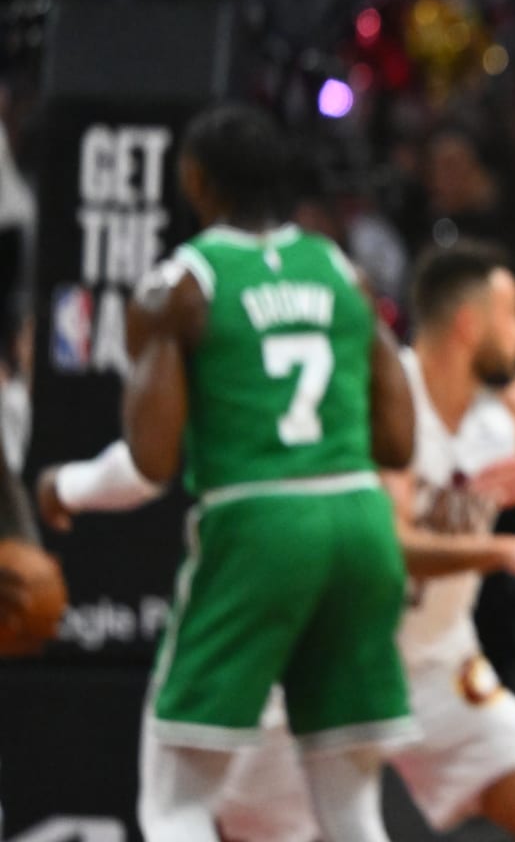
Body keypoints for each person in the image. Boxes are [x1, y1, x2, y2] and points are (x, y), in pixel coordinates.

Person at [50, 240, 515, 841]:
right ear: (468, 322)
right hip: (329, 665)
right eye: (512, 316)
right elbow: (391, 542)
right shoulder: (372, 400)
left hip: (438, 664)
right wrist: (504, 551)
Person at [37, 104, 419, 842]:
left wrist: (66, 486)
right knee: (350, 811)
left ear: (195, 180)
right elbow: (400, 443)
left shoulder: (180, 286)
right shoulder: (344, 271)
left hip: (261, 522)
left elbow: (150, 466)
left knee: (174, 802)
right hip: (363, 521)